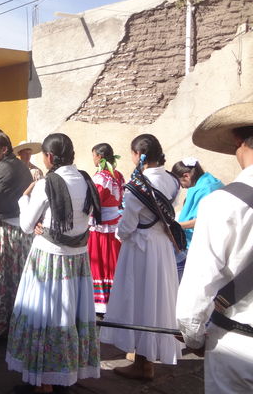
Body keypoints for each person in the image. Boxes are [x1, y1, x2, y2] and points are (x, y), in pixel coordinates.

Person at [6, 133, 101, 392]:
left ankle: (44, 382)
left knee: (45, 316)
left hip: (49, 259)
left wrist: (24, 198)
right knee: (70, 316)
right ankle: (66, 372)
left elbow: (26, 225)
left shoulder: (47, 184)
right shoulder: (85, 179)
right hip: (77, 260)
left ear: (49, 157)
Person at [177, 102, 253, 393]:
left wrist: (193, 336)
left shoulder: (222, 203)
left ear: (239, 144)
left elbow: (198, 286)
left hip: (238, 348)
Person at [100, 134, 182, 380]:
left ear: (139, 155)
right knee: (157, 301)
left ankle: (143, 364)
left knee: (139, 300)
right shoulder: (172, 181)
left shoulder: (138, 187)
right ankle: (146, 353)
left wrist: (118, 233)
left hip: (140, 250)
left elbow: (126, 227)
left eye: (132, 153)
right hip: (162, 246)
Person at [0, 133, 33, 337]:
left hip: (2, 231)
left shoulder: (6, 168)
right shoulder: (18, 166)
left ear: (4, 150)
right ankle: (13, 323)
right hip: (17, 230)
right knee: (14, 278)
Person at [170, 157, 224, 278]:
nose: (181, 187)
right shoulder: (206, 182)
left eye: (179, 183)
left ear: (186, 176)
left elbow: (203, 220)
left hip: (202, 244)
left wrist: (176, 226)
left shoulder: (207, 189)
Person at [88, 142, 125, 314]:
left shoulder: (101, 178)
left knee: (101, 260)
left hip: (101, 225)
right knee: (112, 260)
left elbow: (94, 202)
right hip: (114, 222)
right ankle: (116, 298)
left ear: (100, 157)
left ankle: (102, 302)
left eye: (94, 155)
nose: (93, 158)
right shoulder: (117, 175)